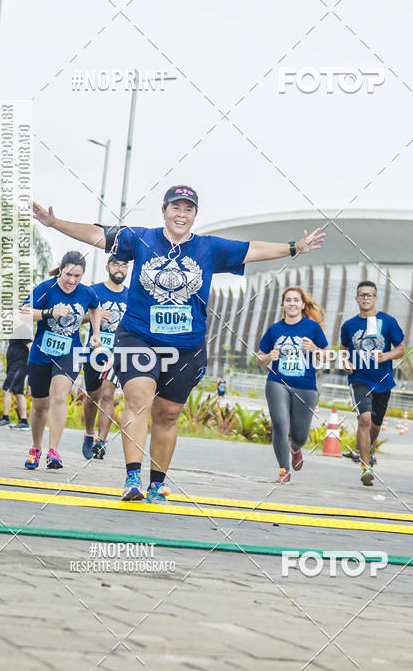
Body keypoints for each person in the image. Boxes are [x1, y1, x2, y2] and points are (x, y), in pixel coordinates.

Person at [32, 186, 324, 503]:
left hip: (186, 346)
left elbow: (252, 250)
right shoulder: (141, 239)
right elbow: (97, 235)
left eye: (188, 209)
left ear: (195, 215)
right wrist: (55, 223)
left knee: (168, 414)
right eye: (175, 208)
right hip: (139, 337)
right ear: (164, 211)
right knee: (137, 398)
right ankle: (132, 477)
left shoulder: (209, 248)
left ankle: (156, 484)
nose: (181, 214)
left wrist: (294, 247)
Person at [22, 251, 101, 470]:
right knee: (40, 406)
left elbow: (96, 308)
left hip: (70, 353)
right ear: (60, 270)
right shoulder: (45, 289)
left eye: (77, 276)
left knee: (59, 397)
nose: (72, 281)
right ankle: (36, 448)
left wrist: (96, 333)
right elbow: (22, 314)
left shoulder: (87, 293)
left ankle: (53, 451)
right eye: (68, 275)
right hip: (41, 353)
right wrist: (50, 312)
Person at [256, 286, 329, 483]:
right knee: (280, 425)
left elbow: (327, 356)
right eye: (288, 300)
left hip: (306, 386)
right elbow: (259, 358)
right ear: (283, 304)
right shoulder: (274, 330)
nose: (292, 304)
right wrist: (268, 357)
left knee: (300, 435)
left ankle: (295, 449)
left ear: (303, 304)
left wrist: (315, 349)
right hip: (277, 382)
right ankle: (284, 471)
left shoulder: (313, 327)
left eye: (296, 300)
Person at [341, 280, 405, 486]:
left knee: (375, 427)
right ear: (356, 298)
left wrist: (386, 356)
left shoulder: (388, 322)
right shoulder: (349, 325)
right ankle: (365, 467)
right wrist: (345, 362)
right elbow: (343, 348)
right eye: (362, 294)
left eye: (369, 295)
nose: (365, 298)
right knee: (364, 419)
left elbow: (401, 348)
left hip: (383, 381)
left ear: (376, 298)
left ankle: (369, 449)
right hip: (359, 379)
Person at [81, 257, 129, 460]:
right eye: (116, 264)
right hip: (95, 350)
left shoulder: (131, 295)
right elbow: (76, 318)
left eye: (124, 265)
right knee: (93, 396)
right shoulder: (94, 291)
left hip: (117, 352)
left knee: (108, 393)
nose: (120, 269)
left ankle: (101, 441)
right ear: (107, 267)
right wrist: (95, 316)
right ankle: (89, 434)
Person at [0, 337, 32, 430]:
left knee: (6, 389)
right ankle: (24, 421)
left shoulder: (23, 331)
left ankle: (5, 418)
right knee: (18, 393)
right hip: (13, 366)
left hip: (18, 367)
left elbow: (31, 347)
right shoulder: (15, 332)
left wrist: (32, 368)